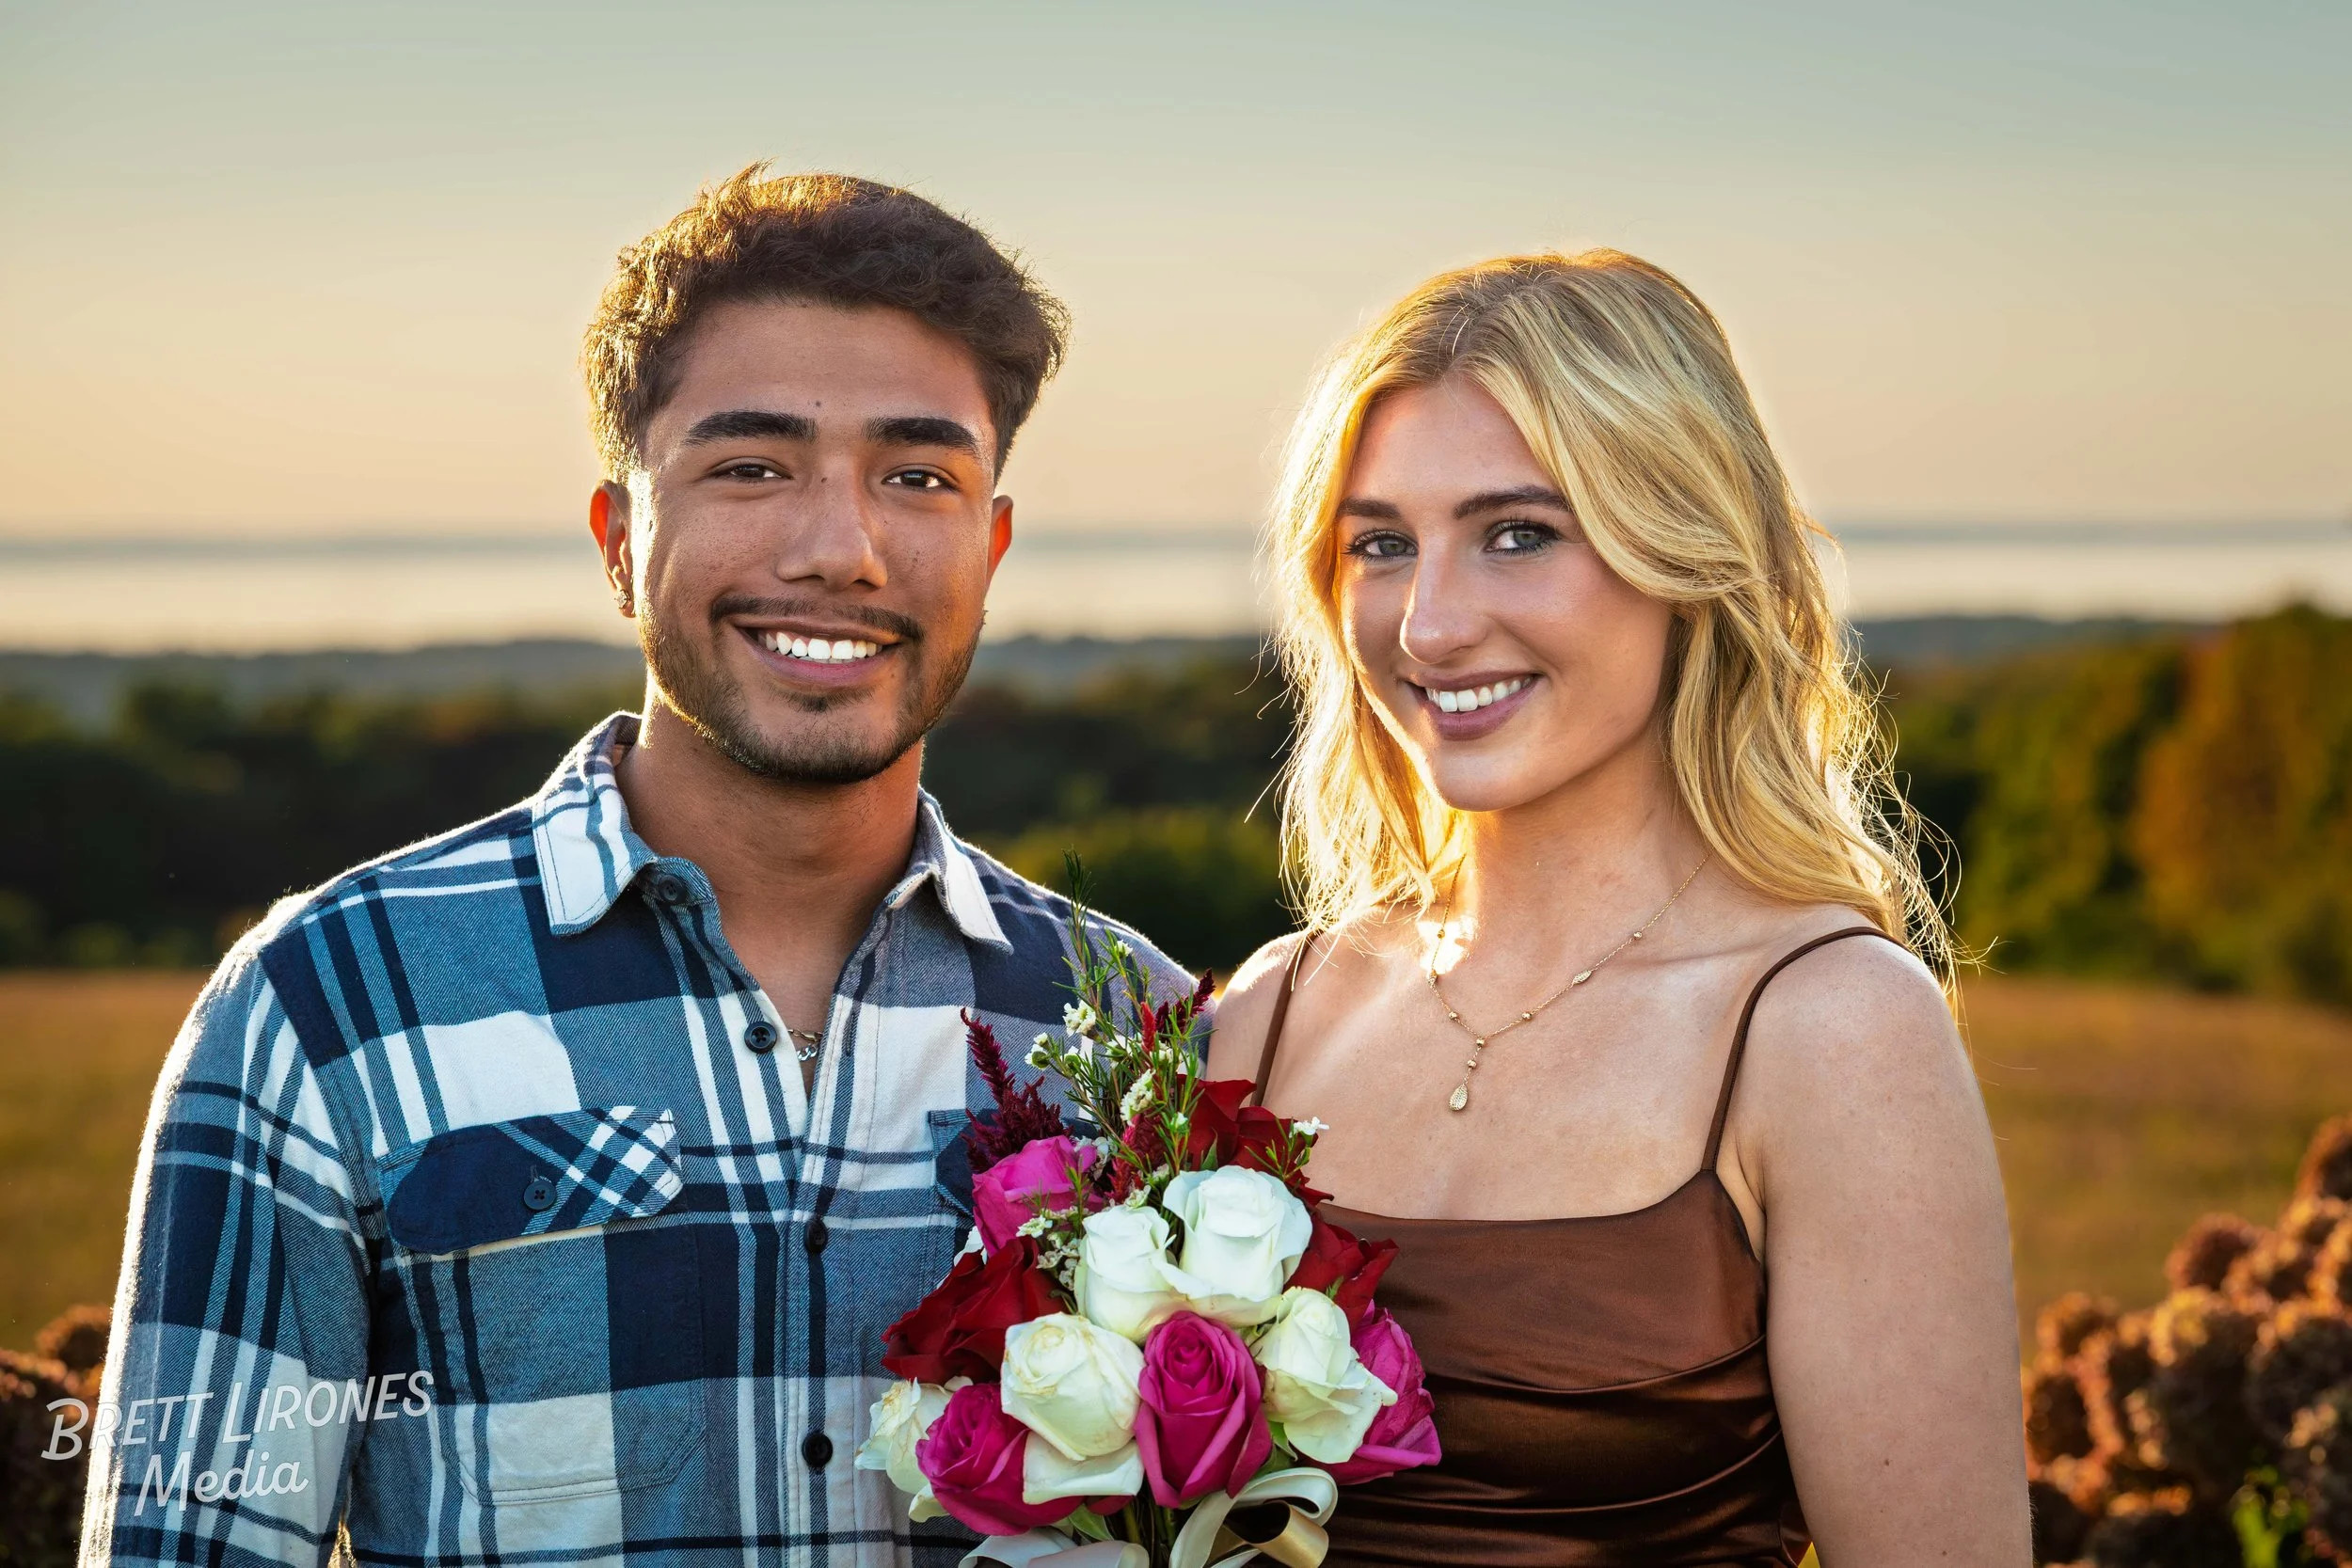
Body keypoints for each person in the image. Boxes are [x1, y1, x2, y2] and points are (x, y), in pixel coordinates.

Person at [80, 166, 1187, 1568]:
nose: (841, 548)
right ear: (618, 542)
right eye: (750, 466)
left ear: (992, 544)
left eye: (920, 475)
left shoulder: (1134, 1030)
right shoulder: (327, 1004)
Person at [1207, 252, 2031, 1564]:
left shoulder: (1831, 1031)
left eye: (1519, 532)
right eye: (1381, 545)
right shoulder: (1267, 1013)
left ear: (1686, 551)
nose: (1426, 624)